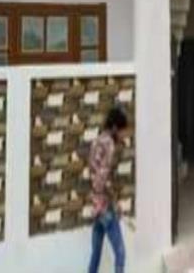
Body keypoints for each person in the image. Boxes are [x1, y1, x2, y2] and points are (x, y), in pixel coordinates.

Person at [88, 105, 129, 273]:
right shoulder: (109, 144)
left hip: (95, 204)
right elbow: (103, 178)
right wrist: (115, 203)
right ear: (115, 128)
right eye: (122, 131)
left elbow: (94, 174)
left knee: (96, 254)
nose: (124, 135)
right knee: (120, 253)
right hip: (105, 206)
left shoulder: (97, 140)